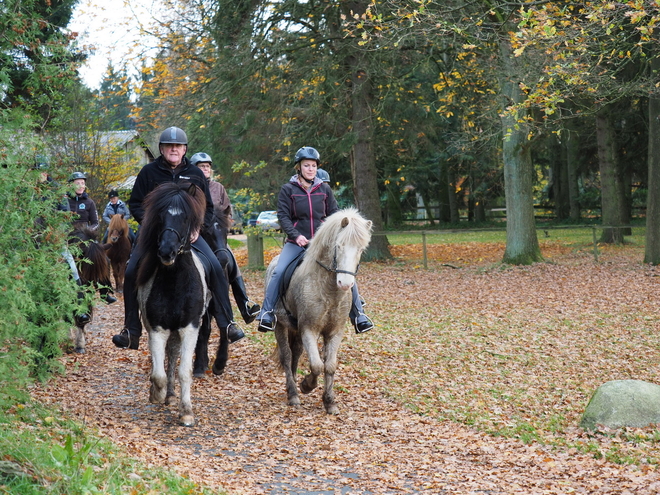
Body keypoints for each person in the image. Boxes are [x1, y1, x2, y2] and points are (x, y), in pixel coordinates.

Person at [111, 126, 244, 350]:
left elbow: (208, 208)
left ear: (184, 149)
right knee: (132, 269)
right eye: (169, 146)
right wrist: (151, 224)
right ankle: (130, 329)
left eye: (178, 146)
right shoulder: (148, 173)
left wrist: (197, 228)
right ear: (161, 149)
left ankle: (227, 323)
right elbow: (135, 203)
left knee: (214, 266)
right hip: (154, 235)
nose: (174, 149)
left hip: (188, 234)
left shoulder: (195, 174)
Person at [256, 146, 373, 334]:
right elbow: (284, 217)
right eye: (306, 165)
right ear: (299, 168)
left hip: (322, 245)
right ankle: (267, 312)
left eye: (313, 165)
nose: (310, 169)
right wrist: (296, 236)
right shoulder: (288, 190)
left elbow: (334, 214)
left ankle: (359, 314)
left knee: (346, 271)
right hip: (297, 243)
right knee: (278, 271)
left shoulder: (324, 189)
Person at [189, 152, 260, 324]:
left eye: (207, 166)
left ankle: (245, 305)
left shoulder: (218, 188)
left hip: (215, 236)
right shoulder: (190, 188)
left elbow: (227, 211)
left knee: (231, 259)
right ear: (194, 169)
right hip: (195, 236)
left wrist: (223, 226)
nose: (205, 169)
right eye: (201, 166)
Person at [67, 171, 115, 304]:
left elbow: (96, 223)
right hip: (69, 238)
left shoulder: (89, 202)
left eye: (83, 183)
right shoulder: (64, 201)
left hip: (87, 238)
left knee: (104, 259)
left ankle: (105, 292)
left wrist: (87, 231)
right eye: (78, 183)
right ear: (71, 185)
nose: (81, 186)